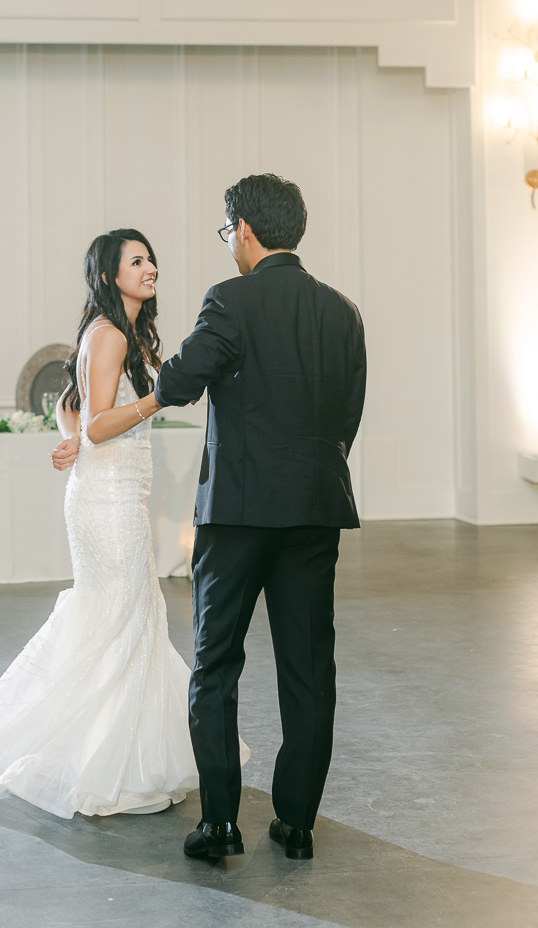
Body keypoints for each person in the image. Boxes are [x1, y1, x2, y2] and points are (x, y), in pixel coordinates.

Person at [0, 229, 209, 817]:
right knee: (119, 621)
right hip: (108, 505)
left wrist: (70, 443)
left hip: (113, 495)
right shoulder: (110, 334)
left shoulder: (118, 334)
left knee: (122, 622)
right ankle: (100, 767)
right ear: (110, 276)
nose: (150, 267)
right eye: (136, 261)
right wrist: (157, 398)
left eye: (151, 258)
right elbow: (99, 423)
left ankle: (113, 756)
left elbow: (70, 409)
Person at [154, 173, 366, 862]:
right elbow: (347, 416)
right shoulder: (343, 312)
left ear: (244, 229)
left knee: (215, 664)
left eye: (227, 232)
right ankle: (296, 822)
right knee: (309, 669)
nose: (229, 245)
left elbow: (178, 384)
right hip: (314, 510)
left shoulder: (230, 300)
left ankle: (219, 826)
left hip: (239, 513)